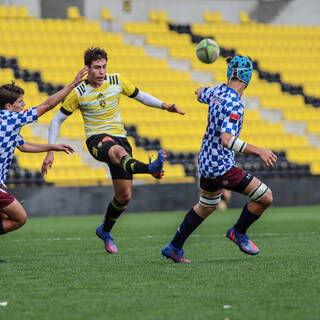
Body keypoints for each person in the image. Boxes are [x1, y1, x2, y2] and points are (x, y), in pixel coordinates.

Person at [41, 47, 185, 254]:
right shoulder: (78, 92)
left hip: (120, 138)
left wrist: (165, 106)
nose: (101, 71)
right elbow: (57, 120)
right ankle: (150, 168)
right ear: (87, 69)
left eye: (104, 67)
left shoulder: (116, 81)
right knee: (118, 152)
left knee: (124, 196)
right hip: (96, 140)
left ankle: (105, 231)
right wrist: (50, 150)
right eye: (97, 67)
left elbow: (140, 96)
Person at [162, 55, 277, 263]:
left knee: (206, 206)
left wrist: (199, 92)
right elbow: (227, 139)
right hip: (221, 166)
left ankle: (174, 247)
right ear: (247, 78)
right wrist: (259, 150)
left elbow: (201, 93)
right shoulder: (235, 104)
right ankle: (238, 232)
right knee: (265, 197)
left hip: (205, 163)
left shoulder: (216, 92)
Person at [0, 67, 87, 262]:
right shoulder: (11, 119)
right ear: (8, 106)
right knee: (19, 218)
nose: (24, 105)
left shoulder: (6, 123)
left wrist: (52, 147)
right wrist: (72, 85)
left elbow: (23, 146)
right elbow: (47, 105)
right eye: (20, 102)